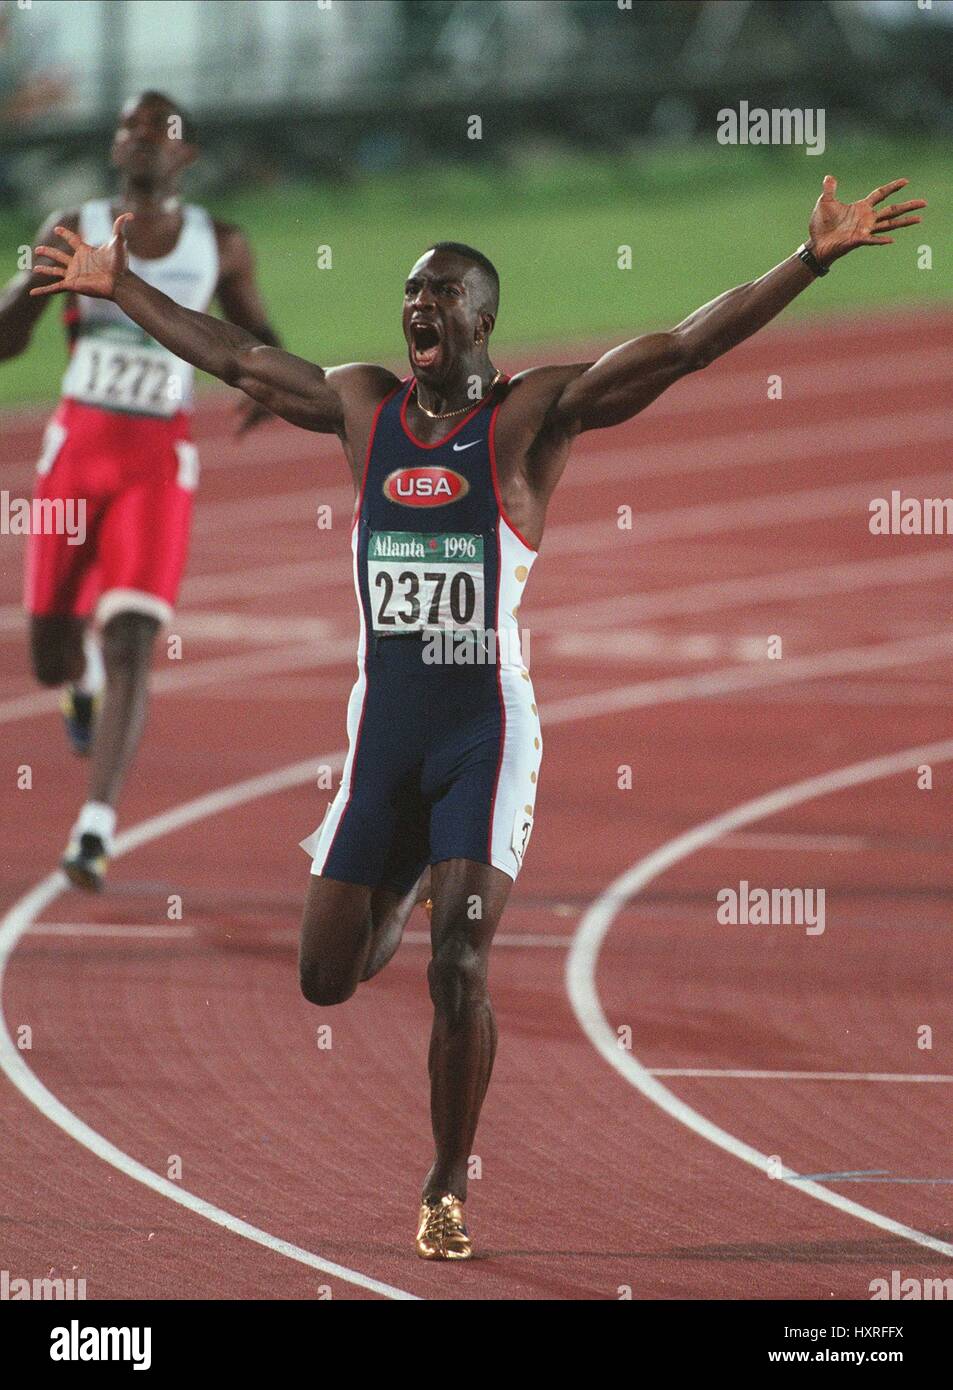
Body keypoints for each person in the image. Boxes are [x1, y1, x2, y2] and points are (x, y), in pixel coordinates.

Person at [30, 172, 925, 1256]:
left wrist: (808, 257)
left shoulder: (528, 420)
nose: (418, 304)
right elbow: (233, 356)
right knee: (326, 977)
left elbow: (682, 349)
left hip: (482, 734)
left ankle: (446, 1182)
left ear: (481, 318)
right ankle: (403, 872)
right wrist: (122, 286)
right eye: (411, 290)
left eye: (441, 292)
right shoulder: (365, 410)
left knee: (458, 965)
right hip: (384, 735)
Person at [0, 91, 280, 889]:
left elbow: (260, 341)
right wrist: (36, 287)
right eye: (130, 127)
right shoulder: (72, 223)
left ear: (186, 155)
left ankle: (93, 830)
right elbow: (9, 340)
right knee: (50, 654)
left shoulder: (218, 242)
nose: (143, 139)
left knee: (130, 639)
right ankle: (76, 686)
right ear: (117, 147)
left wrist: (264, 389)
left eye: (161, 130)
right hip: (71, 457)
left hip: (157, 462)